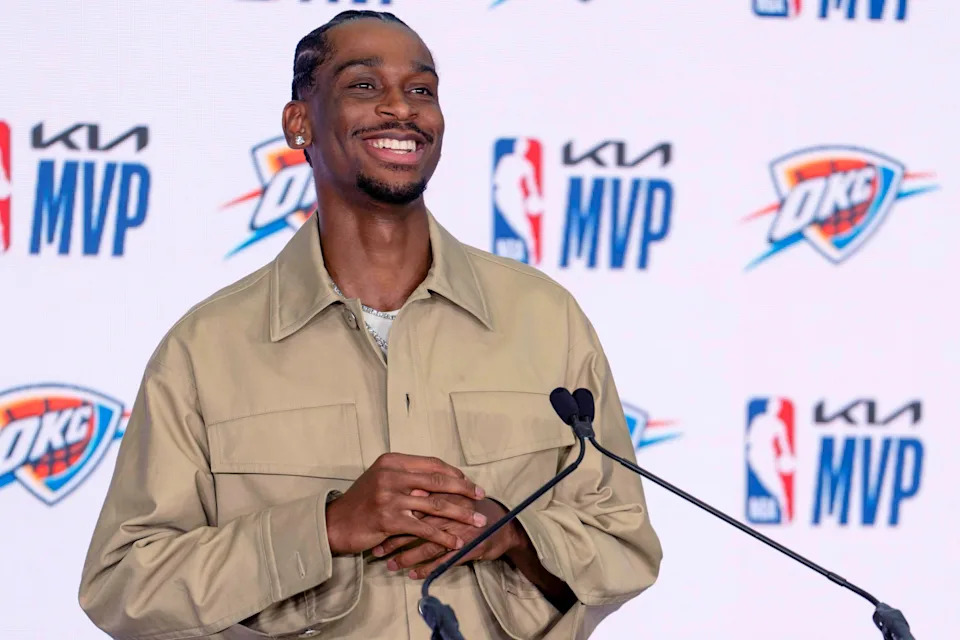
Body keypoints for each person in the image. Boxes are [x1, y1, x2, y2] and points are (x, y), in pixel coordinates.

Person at [79, 10, 662, 639]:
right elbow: (124, 585)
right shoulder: (205, 349)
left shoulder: (545, 320)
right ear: (298, 122)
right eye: (363, 86)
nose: (401, 109)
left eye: (421, 90)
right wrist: (324, 528)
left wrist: (518, 536)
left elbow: (624, 543)